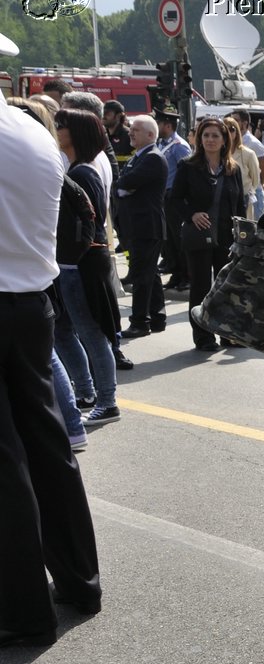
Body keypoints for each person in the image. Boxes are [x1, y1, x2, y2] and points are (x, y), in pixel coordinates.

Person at [0, 99, 102, 648]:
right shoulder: (33, 131)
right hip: (30, 302)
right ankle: (79, 579)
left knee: (8, 461)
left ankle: (20, 608)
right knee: (46, 444)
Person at [51, 108, 121, 427]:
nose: (56, 129)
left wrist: (72, 258)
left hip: (80, 266)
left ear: (75, 132)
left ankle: (106, 401)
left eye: (61, 125)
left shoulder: (83, 172)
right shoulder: (78, 167)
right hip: (72, 265)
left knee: (91, 333)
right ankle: (87, 394)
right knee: (65, 331)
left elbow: (88, 226)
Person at [170, 117, 246, 353]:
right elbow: (174, 199)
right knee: (201, 287)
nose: (210, 140)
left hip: (225, 236)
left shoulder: (233, 169)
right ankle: (203, 337)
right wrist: (191, 214)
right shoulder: (188, 166)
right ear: (199, 139)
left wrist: (242, 235)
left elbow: (240, 206)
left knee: (225, 287)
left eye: (215, 135)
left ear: (225, 140)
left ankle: (226, 333)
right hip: (199, 235)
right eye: (206, 135)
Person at [114, 114, 170, 342]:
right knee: (149, 272)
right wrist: (123, 186)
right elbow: (121, 184)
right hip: (136, 225)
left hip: (147, 226)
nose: (130, 133)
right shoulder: (138, 157)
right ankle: (157, 317)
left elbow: (125, 183)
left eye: (135, 130)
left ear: (150, 134)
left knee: (142, 274)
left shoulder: (153, 158)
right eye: (131, 129)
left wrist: (124, 186)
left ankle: (140, 322)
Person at [155, 109, 191, 290]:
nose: (157, 126)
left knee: (179, 239)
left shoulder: (179, 146)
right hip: (164, 197)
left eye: (159, 123)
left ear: (167, 125)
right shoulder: (162, 144)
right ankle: (176, 273)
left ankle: (187, 276)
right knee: (169, 240)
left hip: (174, 198)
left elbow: (186, 173)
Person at [231, 109, 264, 218]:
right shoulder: (231, 142)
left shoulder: (253, 143)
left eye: (236, 120)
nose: (232, 123)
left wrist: (255, 186)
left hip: (252, 196)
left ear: (244, 123)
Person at [224, 117, 262, 224]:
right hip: (223, 203)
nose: (228, 132)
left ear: (237, 131)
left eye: (231, 129)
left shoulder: (248, 154)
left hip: (243, 202)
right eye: (224, 129)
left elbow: (255, 180)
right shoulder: (217, 154)